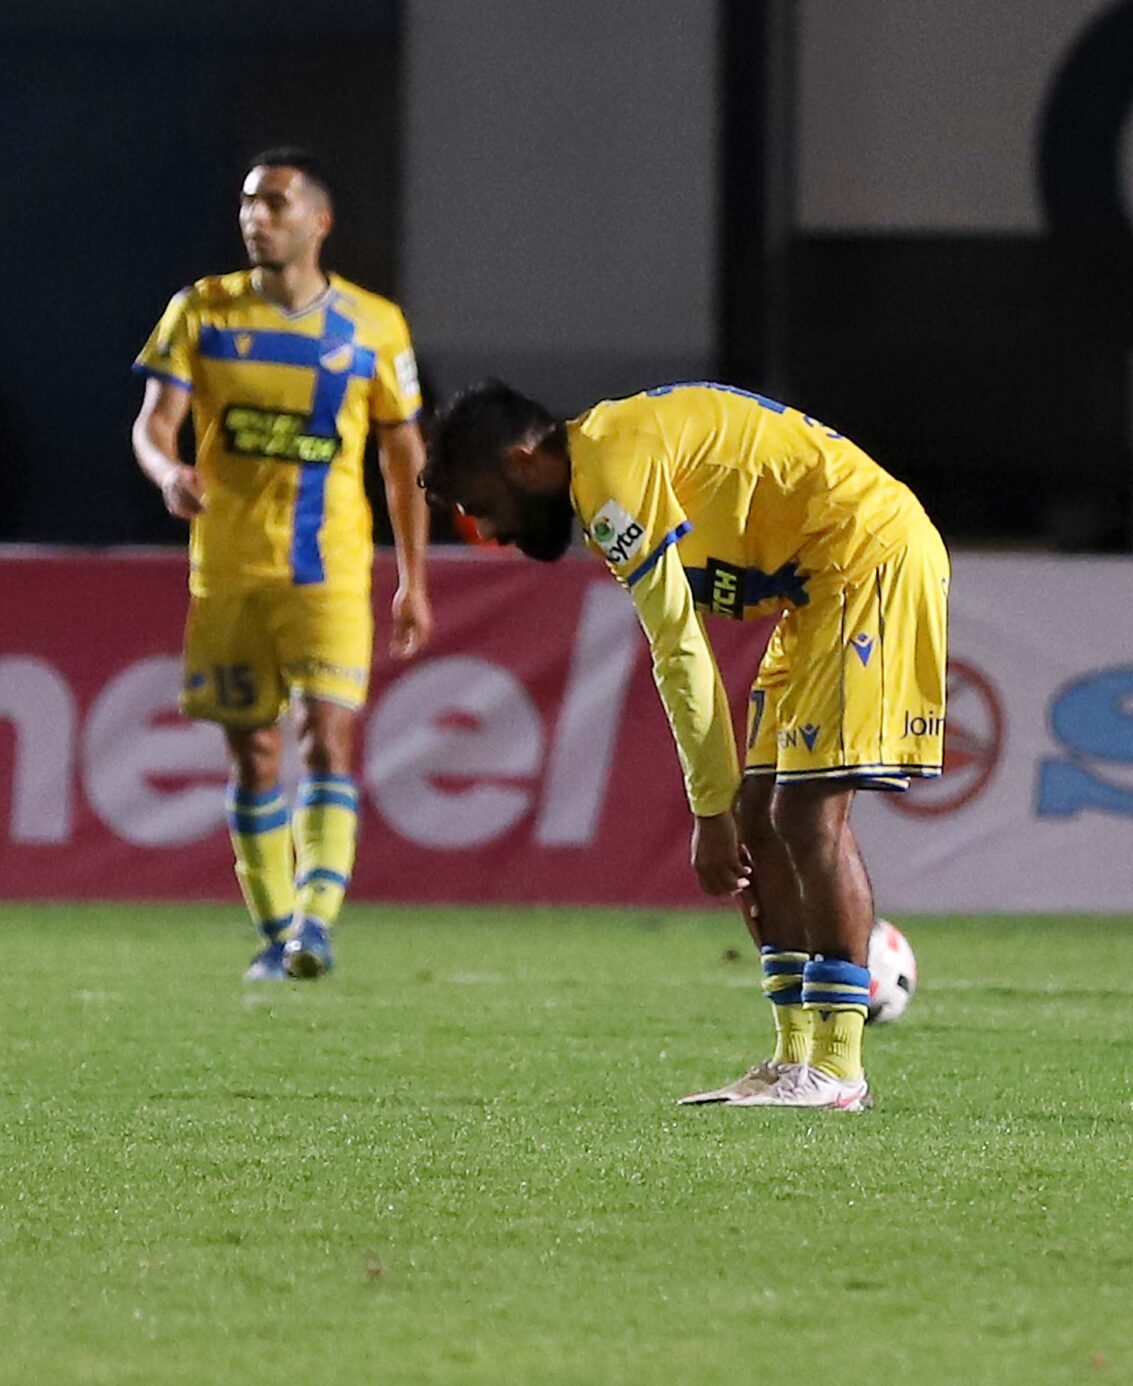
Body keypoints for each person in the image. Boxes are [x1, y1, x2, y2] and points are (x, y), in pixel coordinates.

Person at [423, 380, 949, 1113]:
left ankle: (838, 1070)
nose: (489, 530)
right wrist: (726, 809)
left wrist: (708, 811)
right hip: (818, 588)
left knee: (805, 816)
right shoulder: (605, 468)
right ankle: (793, 1057)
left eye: (481, 506)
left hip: (868, 561)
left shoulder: (611, 473)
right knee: (761, 816)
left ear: (522, 461)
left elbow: (680, 651)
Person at [130, 147, 433, 982]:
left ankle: (315, 926)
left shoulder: (375, 325)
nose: (255, 218)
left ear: (318, 221)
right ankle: (274, 934)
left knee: (327, 738)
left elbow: (404, 458)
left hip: (328, 566)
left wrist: (413, 579)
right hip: (228, 570)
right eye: (247, 203)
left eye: (274, 204)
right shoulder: (202, 310)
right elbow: (154, 424)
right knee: (254, 754)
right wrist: (167, 472)